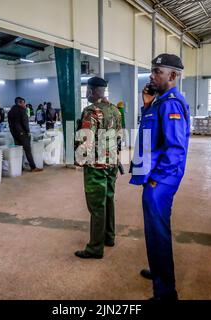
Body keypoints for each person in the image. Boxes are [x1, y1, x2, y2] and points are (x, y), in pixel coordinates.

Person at [129, 53, 191, 300]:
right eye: (152, 71)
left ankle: (166, 292)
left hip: (161, 180)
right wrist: (146, 105)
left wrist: (157, 178)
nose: (152, 75)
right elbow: (149, 134)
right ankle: (158, 272)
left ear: (173, 76)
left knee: (158, 233)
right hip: (155, 175)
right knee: (153, 231)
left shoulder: (171, 103)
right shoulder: (158, 101)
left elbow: (176, 149)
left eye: (157, 72)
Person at [74, 76, 122, 259]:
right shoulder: (115, 110)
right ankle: (109, 237)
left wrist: (79, 160)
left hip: (96, 166)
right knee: (108, 200)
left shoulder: (90, 111)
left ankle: (95, 247)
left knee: (97, 206)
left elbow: (85, 140)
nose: (86, 93)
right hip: (111, 164)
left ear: (92, 91)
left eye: (87, 90)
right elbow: (118, 137)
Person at [8, 97, 43, 172]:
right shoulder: (22, 111)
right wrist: (28, 132)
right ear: (19, 103)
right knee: (27, 150)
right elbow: (25, 123)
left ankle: (20, 167)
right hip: (23, 134)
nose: (25, 104)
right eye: (24, 103)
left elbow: (10, 124)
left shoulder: (10, 112)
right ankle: (33, 167)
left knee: (19, 150)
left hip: (15, 134)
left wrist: (13, 133)